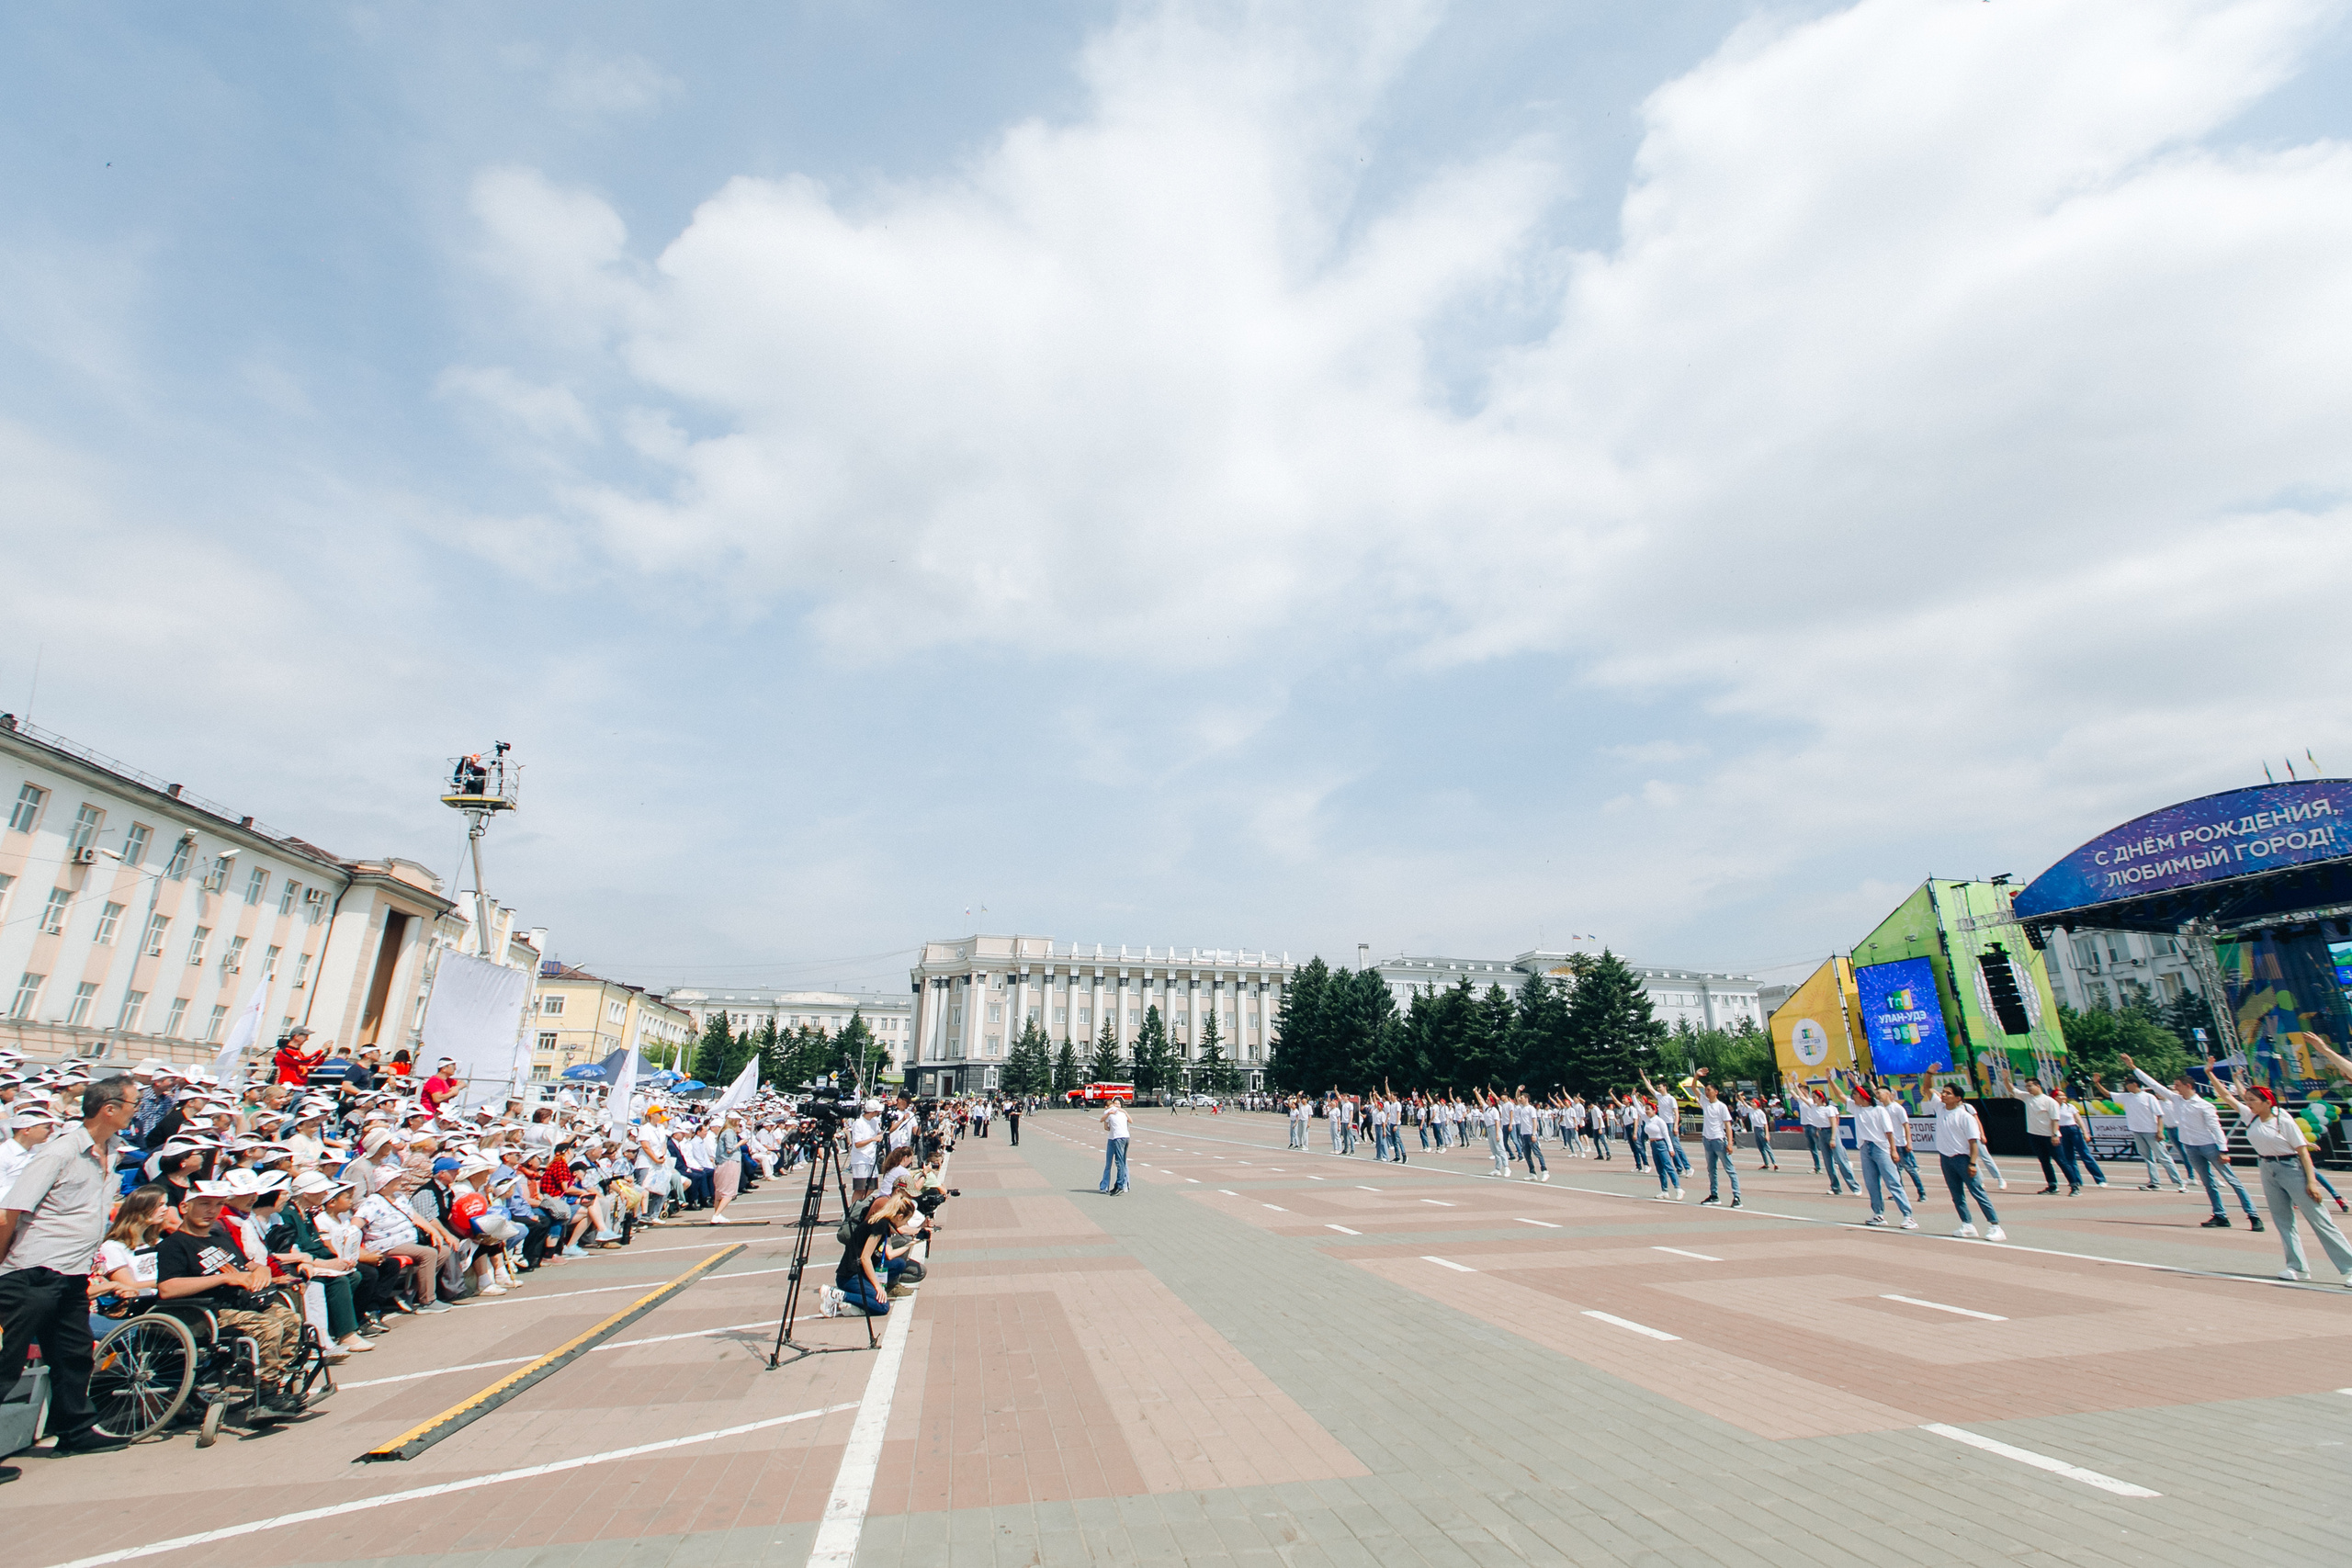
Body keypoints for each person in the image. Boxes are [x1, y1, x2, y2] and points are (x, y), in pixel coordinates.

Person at [0, 1074, 139, 1474]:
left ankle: (74, 1429)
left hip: (72, 1273)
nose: (135, 1111)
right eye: (132, 1104)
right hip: (33, 1271)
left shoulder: (112, 1152)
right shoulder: (59, 1153)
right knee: (5, 1362)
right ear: (109, 1108)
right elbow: (12, 1211)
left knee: (73, 1355)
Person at [156, 1180, 307, 1413]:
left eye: (217, 1205)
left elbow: (247, 1264)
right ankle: (265, 1396)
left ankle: (275, 1382)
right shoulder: (174, 1245)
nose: (211, 1211)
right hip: (205, 1312)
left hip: (238, 1304)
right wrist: (224, 1279)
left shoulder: (220, 1237)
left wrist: (262, 1270)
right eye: (204, 1204)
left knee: (290, 1319)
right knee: (269, 1326)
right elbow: (167, 1288)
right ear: (185, 1208)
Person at [2210, 1070, 2352, 1284]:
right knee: (2283, 1220)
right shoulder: (2251, 1116)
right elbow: (2228, 1096)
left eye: (2252, 1100)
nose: (2248, 1103)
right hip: (2267, 1168)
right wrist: (2210, 1074)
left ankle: (2349, 1267)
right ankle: (2297, 1267)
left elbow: (2302, 1151)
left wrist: (2311, 1182)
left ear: (2267, 1102)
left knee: (2319, 1220)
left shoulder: (2281, 1118)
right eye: (2246, 1100)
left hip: (2291, 1167)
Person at [2121, 1055, 2260, 1229]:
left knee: (2232, 1180)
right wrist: (2134, 1067)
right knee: (2207, 1182)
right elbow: (2156, 1085)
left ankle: (2253, 1215)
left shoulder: (2204, 1105)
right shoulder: (2177, 1100)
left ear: (2188, 1086)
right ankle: (2220, 1215)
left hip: (2209, 1146)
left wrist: (2223, 1150)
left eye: (2178, 1085)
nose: (2175, 1088)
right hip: (2191, 1147)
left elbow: (2215, 1128)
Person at [819, 1188, 913, 1317]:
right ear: (899, 1216)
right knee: (882, 1306)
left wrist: (911, 1243)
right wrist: (877, 1286)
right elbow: (865, 1258)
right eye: (905, 1221)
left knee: (898, 1264)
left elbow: (888, 1254)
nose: (905, 1224)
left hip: (861, 1272)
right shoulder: (880, 1225)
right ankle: (836, 1295)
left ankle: (860, 1300)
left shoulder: (883, 1222)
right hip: (850, 1276)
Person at [1931, 1085, 2007, 1241]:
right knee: (1957, 1195)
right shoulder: (1940, 1109)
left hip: (1963, 1159)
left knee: (1978, 1192)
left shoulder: (1965, 1117)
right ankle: (1967, 1224)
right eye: (1943, 1092)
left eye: (1948, 1093)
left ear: (1958, 1098)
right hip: (1946, 1158)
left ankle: (1995, 1226)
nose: (1943, 1095)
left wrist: (1972, 1164)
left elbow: (1973, 1143)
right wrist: (1929, 1073)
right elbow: (1926, 1088)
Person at [2096, 1069, 2187, 1192]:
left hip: (2151, 1131)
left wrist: (2159, 1131)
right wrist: (2097, 1083)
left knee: (2163, 1157)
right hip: (2137, 1131)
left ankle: (2179, 1182)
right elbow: (2107, 1095)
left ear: (2135, 1084)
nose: (2126, 1086)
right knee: (2147, 1157)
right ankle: (2154, 1182)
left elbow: (2159, 1115)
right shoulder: (2127, 1097)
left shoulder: (2148, 1097)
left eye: (2127, 1084)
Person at [2010, 1077, 2077, 1193]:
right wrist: (2006, 1078)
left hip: (2049, 1135)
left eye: (2030, 1086)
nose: (2028, 1089)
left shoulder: (2049, 1101)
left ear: (2038, 1086)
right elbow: (2012, 1090)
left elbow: (2055, 1119)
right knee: (2044, 1161)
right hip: (2034, 1135)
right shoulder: (2028, 1098)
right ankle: (2052, 1186)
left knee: (2061, 1161)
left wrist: (2055, 1135)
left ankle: (2074, 1186)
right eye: (2026, 1087)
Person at [1693, 1082, 1741, 1207]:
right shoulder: (1705, 1102)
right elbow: (1694, 1088)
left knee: (1729, 1169)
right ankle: (1714, 1195)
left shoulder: (1721, 1106)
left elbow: (1727, 1125)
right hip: (1707, 1140)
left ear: (1716, 1092)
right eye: (1705, 1090)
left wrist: (1730, 1143)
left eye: (1709, 1090)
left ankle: (1737, 1196)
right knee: (1711, 1169)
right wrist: (1697, 1076)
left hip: (1719, 1140)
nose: (1706, 1092)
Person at [0, 1106, 58, 1193]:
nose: (52, 1131)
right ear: (27, 1130)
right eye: (47, 1127)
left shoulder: (39, 1152)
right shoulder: (3, 1154)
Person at [1098, 1099, 1130, 1195]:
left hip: (1118, 1138)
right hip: (1122, 1137)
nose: (1117, 1105)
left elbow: (1101, 1121)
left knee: (1120, 1163)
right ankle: (1118, 1185)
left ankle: (1121, 1185)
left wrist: (1108, 1114)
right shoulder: (1121, 1113)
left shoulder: (1109, 1111)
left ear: (1106, 1106)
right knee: (1121, 1162)